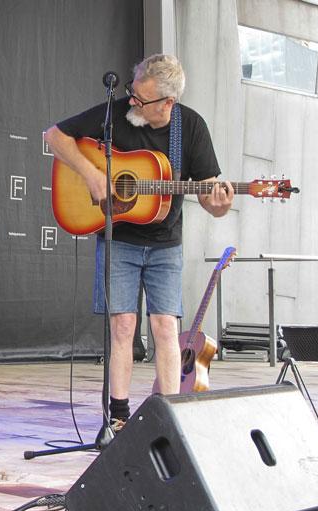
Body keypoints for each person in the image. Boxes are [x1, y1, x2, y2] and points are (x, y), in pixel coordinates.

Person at [44, 54, 233, 431]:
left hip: (166, 242)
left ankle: (167, 415)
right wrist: (92, 175)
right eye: (132, 93)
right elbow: (54, 135)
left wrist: (220, 206)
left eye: (142, 100)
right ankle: (118, 417)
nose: (132, 102)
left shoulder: (190, 128)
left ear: (168, 103)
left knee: (165, 327)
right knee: (123, 328)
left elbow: (213, 198)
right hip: (119, 240)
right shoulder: (118, 113)